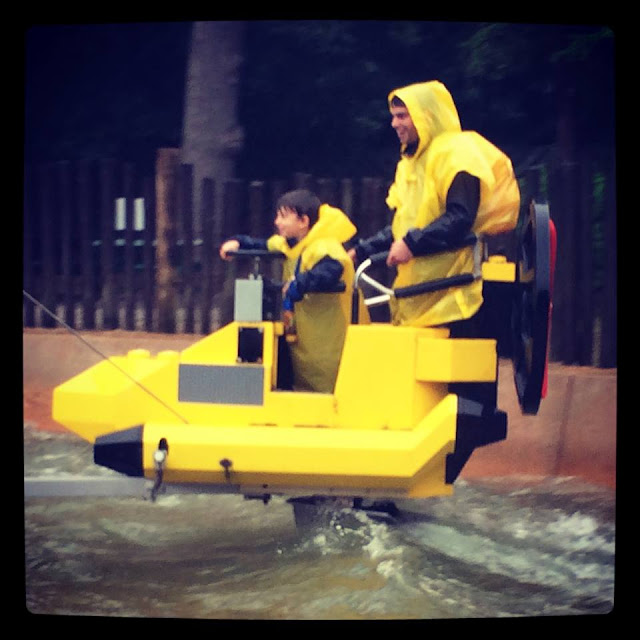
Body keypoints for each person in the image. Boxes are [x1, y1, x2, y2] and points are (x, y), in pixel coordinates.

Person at [349, 80, 520, 330]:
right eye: (394, 117)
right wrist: (361, 251)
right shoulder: (412, 163)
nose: (394, 124)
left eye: (402, 116)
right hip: (417, 291)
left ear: (425, 116)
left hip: (452, 291)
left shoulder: (455, 153)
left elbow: (461, 217)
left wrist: (411, 243)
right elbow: (403, 228)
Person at [220, 189, 358, 393]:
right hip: (304, 337)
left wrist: (300, 283)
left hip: (330, 337)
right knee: (305, 378)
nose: (277, 222)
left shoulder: (325, 246)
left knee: (329, 380)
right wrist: (239, 242)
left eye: (284, 217)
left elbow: (331, 270)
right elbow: (264, 244)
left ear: (303, 221)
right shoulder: (288, 245)